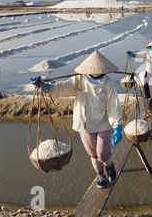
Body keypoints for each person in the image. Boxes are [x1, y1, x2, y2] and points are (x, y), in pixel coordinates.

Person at [31, 51, 123, 189]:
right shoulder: (79, 80)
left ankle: (109, 166)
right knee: (93, 154)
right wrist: (47, 87)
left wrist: (117, 126)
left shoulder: (108, 84)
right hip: (85, 125)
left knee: (103, 154)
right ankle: (100, 175)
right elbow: (62, 88)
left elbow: (113, 105)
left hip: (103, 123)